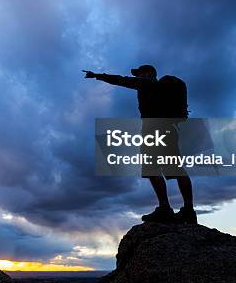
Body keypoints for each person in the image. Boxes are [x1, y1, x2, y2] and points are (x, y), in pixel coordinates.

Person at [84, 64, 197, 224]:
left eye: (140, 74)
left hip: (153, 131)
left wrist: (97, 75)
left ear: (149, 74)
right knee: (177, 169)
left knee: (151, 169)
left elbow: (121, 80)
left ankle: (165, 208)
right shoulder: (164, 90)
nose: (137, 77)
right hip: (170, 130)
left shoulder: (147, 84)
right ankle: (189, 210)